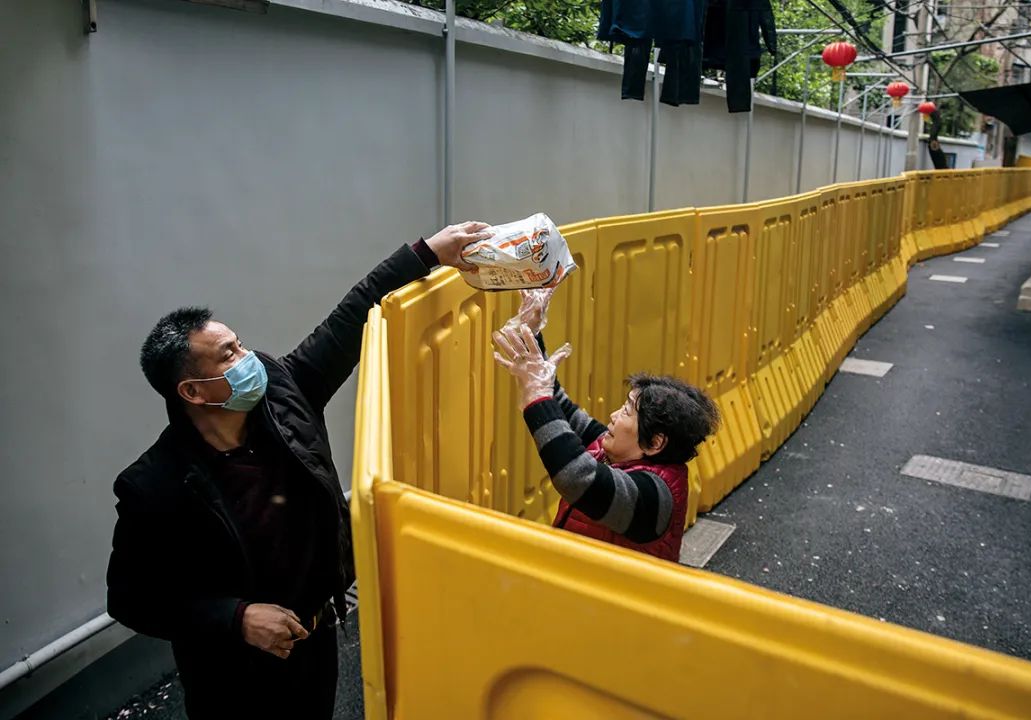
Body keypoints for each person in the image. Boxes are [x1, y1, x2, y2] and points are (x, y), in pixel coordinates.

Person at [106, 222, 492, 719]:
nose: (250, 360)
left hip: (316, 636)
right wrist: (237, 618)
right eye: (230, 355)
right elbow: (131, 598)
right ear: (194, 392)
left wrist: (428, 252)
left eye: (240, 343)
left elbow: (350, 318)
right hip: (233, 671)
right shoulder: (154, 486)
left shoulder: (284, 394)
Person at [492, 290, 719, 561]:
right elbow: (562, 408)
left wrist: (536, 397)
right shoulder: (611, 451)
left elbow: (577, 478)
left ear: (655, 443)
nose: (613, 416)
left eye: (626, 412)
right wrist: (532, 330)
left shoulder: (654, 497)